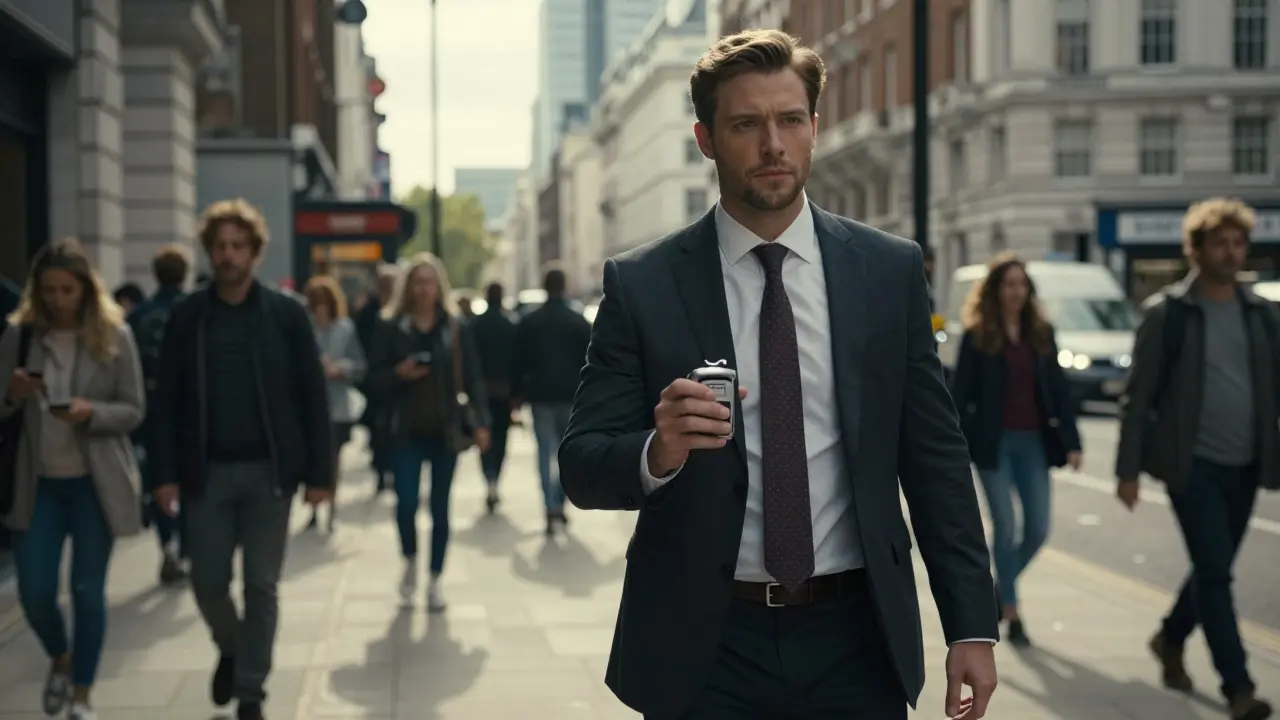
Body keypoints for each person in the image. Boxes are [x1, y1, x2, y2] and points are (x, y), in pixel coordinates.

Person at [558, 30, 999, 720]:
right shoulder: (643, 286)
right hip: (706, 645)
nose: (773, 145)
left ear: (814, 127)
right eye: (746, 125)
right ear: (706, 139)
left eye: (790, 120)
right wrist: (658, 450)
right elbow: (582, 465)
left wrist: (970, 622)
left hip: (857, 638)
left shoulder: (886, 272)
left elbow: (936, 458)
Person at [148, 199, 333, 720]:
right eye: (219, 247)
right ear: (208, 252)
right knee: (207, 583)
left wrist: (321, 475)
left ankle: (251, 690)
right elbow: (166, 401)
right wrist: (162, 474)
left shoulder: (285, 315)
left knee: (261, 584)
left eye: (237, 246)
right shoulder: (187, 317)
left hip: (270, 475)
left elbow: (312, 396)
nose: (228, 256)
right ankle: (232, 650)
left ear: (254, 251)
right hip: (205, 475)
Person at [1116, 198, 1276, 720]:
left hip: (1247, 463)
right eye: (1220, 243)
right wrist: (1127, 469)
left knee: (1214, 567)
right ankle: (1239, 687)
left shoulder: (1263, 315)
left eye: (1238, 243)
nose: (1231, 252)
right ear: (1197, 249)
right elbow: (1138, 395)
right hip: (1193, 466)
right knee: (1216, 573)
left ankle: (1169, 637)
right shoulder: (1170, 315)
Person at [0, 238, 145, 720]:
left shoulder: (114, 335)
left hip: (92, 484)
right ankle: (60, 658)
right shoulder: (18, 336)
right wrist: (13, 394)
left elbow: (134, 409)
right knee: (36, 593)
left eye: (68, 289)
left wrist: (92, 412)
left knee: (87, 590)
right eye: (50, 290)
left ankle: (82, 696)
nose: (59, 299)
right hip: (36, 483)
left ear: (86, 289)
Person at [949, 253, 1082, 647]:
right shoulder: (978, 335)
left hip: (1034, 443)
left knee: (1038, 530)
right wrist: (957, 445)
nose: (1016, 291)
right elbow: (961, 395)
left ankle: (993, 591)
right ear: (995, 290)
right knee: (1005, 528)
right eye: (1009, 284)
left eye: (1022, 284)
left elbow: (1059, 389)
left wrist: (1072, 442)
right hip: (994, 445)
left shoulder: (1041, 333)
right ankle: (1011, 609)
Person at [366, 253, 491, 613]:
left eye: (429, 281)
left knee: (440, 509)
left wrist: (481, 423)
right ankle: (409, 559)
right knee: (405, 504)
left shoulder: (455, 327)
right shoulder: (391, 327)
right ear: (408, 286)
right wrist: (398, 374)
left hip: (444, 432)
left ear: (439, 286)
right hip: (404, 432)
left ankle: (435, 579)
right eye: (417, 281)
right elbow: (371, 379)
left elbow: (473, 377)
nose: (423, 289)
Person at [128, 244, 192, 586]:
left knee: (159, 480)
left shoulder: (138, 316)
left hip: (151, 410)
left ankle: (166, 540)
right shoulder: (195, 311)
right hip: (190, 411)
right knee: (191, 478)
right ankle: (183, 544)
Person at [514, 267, 592, 535]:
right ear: (564, 286)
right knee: (566, 453)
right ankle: (559, 501)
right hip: (572, 396)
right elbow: (592, 362)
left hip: (540, 395)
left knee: (543, 453)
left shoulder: (530, 321)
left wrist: (516, 395)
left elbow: (519, 362)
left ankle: (548, 505)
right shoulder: (578, 321)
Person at [303, 275, 367, 531]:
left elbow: (360, 365)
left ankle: (331, 506)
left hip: (338, 406)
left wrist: (340, 369)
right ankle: (313, 506)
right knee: (311, 459)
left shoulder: (345, 329)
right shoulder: (304, 327)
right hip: (309, 407)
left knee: (333, 460)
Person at [469, 281, 518, 513]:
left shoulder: (476, 325)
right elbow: (517, 362)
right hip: (503, 392)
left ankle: (489, 478)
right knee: (500, 437)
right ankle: (495, 478)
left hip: (481, 391)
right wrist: (517, 395)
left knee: (484, 437)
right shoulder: (509, 325)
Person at [354, 264, 401, 493]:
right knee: (377, 426)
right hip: (374, 380)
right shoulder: (368, 312)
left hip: (398, 380)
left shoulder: (402, 311)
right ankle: (381, 469)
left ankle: (392, 468)